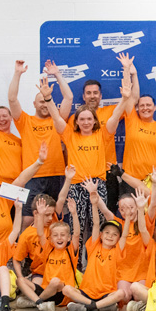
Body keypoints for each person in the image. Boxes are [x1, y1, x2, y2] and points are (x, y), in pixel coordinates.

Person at [41, 73, 126, 244]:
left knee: (99, 225)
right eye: (82, 119)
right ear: (77, 122)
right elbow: (56, 117)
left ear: (94, 121)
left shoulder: (103, 134)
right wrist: (48, 99)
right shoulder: (69, 135)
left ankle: (97, 257)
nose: (86, 122)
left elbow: (115, 116)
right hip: (76, 186)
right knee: (76, 227)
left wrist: (124, 98)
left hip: (98, 185)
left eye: (89, 119)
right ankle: (77, 259)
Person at [8, 59, 73, 224]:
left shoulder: (58, 119)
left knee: (55, 219)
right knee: (28, 219)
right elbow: (12, 99)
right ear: (34, 104)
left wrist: (57, 74)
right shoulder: (25, 121)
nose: (45, 105)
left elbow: (68, 97)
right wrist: (17, 73)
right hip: (32, 176)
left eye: (47, 101)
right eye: (41, 101)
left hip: (57, 175)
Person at [63, 180, 133, 311]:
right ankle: (99, 306)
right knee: (66, 289)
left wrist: (128, 218)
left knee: (120, 294)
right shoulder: (94, 245)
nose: (110, 236)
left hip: (107, 293)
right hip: (86, 292)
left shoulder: (117, 250)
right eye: (107, 233)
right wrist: (94, 204)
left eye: (114, 234)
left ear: (118, 238)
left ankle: (88, 307)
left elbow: (125, 235)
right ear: (101, 235)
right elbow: (96, 224)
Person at [69, 71, 126, 211]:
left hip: (108, 172)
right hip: (82, 175)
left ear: (100, 96)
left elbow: (131, 101)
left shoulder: (110, 111)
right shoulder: (74, 119)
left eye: (95, 93)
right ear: (83, 96)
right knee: (82, 214)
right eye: (88, 93)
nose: (92, 96)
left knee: (108, 213)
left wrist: (128, 71)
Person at [119, 54, 156, 184]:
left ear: (154, 107)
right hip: (130, 179)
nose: (145, 108)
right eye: (142, 105)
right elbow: (128, 93)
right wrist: (129, 72)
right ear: (137, 108)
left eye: (148, 105)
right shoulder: (132, 119)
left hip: (152, 181)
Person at [31, 195, 81, 311]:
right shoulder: (48, 249)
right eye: (55, 235)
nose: (59, 238)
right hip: (47, 290)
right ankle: (42, 302)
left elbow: (77, 234)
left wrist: (74, 214)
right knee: (21, 281)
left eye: (63, 235)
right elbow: (40, 233)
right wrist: (41, 215)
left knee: (55, 281)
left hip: (62, 294)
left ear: (68, 238)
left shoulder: (70, 250)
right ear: (51, 239)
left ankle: (35, 302)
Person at [11, 192, 57, 307]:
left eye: (52, 214)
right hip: (39, 274)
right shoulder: (26, 235)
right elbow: (16, 259)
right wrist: (20, 276)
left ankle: (31, 301)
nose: (50, 218)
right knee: (22, 282)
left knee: (56, 285)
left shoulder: (54, 226)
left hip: (56, 270)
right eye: (47, 215)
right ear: (36, 213)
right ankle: (39, 301)